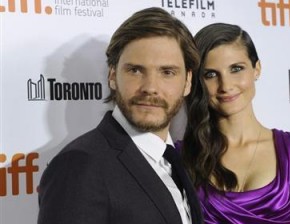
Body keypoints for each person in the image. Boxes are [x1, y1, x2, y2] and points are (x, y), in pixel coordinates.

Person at [37, 7, 203, 224]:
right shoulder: (79, 166)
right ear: (113, 76)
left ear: (188, 81)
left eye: (167, 72)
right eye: (135, 70)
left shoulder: (175, 158)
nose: (150, 87)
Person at [180, 23, 290, 224]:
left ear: (257, 69)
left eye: (236, 69)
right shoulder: (183, 156)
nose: (226, 86)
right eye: (210, 74)